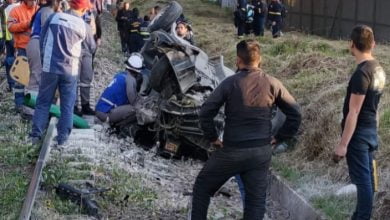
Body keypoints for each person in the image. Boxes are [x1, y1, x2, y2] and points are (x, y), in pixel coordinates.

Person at [191, 39, 301, 219]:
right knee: (255, 202)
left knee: (203, 186)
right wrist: (280, 137)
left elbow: (205, 112)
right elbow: (295, 113)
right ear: (260, 60)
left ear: (237, 60)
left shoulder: (230, 83)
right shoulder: (273, 83)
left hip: (232, 151)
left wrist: (212, 138)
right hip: (260, 152)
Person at [333, 25, 386, 220]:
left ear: (351, 45)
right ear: (373, 44)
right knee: (369, 180)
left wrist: (343, 145)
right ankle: (359, 216)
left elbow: (354, 111)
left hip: (359, 135)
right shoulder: (379, 69)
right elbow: (376, 106)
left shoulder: (362, 74)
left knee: (363, 181)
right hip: (371, 130)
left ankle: (362, 217)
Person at [29, 0, 96, 146]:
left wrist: (43, 59)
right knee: (67, 105)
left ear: (71, 5)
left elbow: (42, 39)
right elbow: (92, 47)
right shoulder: (84, 26)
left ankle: (35, 136)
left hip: (50, 67)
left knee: (43, 103)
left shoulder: (54, 17)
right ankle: (62, 139)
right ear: (84, 9)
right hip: (70, 70)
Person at [95, 53, 143, 128]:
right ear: (138, 71)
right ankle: (118, 126)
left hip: (99, 110)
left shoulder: (120, 75)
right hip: (105, 115)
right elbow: (133, 101)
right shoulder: (131, 80)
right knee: (135, 109)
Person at [7, 0, 38, 112]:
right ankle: (19, 104)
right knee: (21, 78)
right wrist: (27, 24)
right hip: (22, 49)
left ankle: (33, 103)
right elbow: (10, 27)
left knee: (35, 78)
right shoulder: (16, 11)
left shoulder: (39, 10)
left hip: (36, 50)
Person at [26, 0, 61, 96]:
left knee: (37, 76)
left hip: (35, 43)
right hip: (38, 43)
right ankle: (30, 108)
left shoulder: (43, 10)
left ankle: (34, 106)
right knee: (37, 77)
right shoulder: (47, 11)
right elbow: (48, 31)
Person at [74, 6, 102, 116]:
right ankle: (81, 105)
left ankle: (78, 106)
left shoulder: (86, 16)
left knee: (79, 81)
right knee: (82, 81)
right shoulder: (86, 24)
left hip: (78, 54)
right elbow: (92, 46)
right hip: (83, 54)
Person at [0, 0, 18, 92]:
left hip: (9, 37)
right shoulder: (15, 7)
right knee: (14, 60)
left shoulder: (4, 7)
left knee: (10, 59)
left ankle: (12, 84)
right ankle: (14, 84)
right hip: (13, 38)